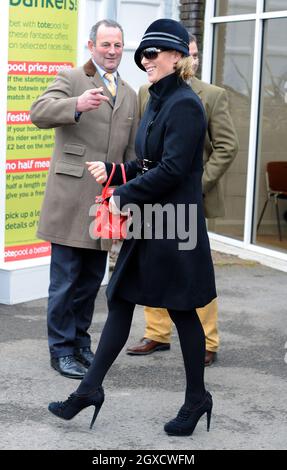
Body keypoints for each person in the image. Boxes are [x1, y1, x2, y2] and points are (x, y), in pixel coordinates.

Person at [48, 19, 216, 437]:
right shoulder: (156, 99)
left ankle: (197, 398)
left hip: (174, 226)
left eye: (154, 52)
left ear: (177, 57)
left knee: (181, 312)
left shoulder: (185, 104)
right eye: (142, 53)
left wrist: (122, 195)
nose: (146, 59)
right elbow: (149, 163)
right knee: (120, 299)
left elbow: (175, 170)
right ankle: (89, 391)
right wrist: (115, 171)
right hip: (149, 223)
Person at [30, 20, 138, 380]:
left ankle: (80, 343)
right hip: (70, 199)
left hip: (104, 206)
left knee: (92, 281)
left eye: (118, 46)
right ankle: (60, 350)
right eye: (105, 44)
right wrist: (75, 104)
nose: (111, 51)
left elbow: (131, 152)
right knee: (64, 282)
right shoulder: (72, 78)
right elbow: (38, 113)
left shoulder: (131, 94)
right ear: (91, 45)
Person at [126, 34, 239, 366]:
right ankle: (157, 334)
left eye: (194, 54)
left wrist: (197, 185)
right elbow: (146, 146)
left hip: (189, 198)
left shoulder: (212, 96)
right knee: (154, 262)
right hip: (156, 196)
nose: (191, 60)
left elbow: (226, 147)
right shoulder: (147, 91)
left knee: (192, 270)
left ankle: (207, 340)